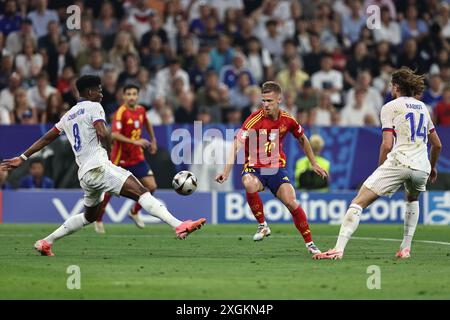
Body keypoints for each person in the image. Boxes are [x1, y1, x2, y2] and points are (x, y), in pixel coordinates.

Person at [0, 75, 206, 256]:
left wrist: (23, 157)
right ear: (89, 92)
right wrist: (108, 145)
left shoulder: (68, 115)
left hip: (85, 174)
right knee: (143, 192)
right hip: (99, 167)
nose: (101, 93)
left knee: (90, 216)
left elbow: (46, 138)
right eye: (98, 89)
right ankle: (179, 225)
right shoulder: (94, 107)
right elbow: (102, 130)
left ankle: (46, 242)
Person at [313, 67, 442, 260]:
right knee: (412, 199)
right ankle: (405, 248)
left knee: (358, 202)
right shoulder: (423, 107)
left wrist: (381, 168)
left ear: (396, 86)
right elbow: (437, 145)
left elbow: (387, 144)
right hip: (421, 166)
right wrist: (431, 167)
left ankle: (338, 249)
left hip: (400, 161)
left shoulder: (390, 106)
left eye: (391, 84)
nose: (390, 87)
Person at [215, 81, 328, 255]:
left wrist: (313, 163)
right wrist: (226, 171)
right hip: (254, 167)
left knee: (292, 202)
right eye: (263, 101)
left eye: (269, 101)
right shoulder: (254, 119)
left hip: (276, 169)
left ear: (279, 100)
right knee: (249, 183)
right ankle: (263, 225)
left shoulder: (287, 120)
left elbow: (303, 138)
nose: (265, 105)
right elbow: (236, 144)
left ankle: (310, 243)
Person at [94, 84, 158, 234]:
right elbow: (114, 135)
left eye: (134, 94)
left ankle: (134, 212)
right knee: (109, 191)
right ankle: (98, 219)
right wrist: (135, 141)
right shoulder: (120, 113)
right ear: (123, 96)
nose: (131, 97)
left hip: (137, 157)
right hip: (120, 158)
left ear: (138, 96)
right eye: (128, 94)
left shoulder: (141, 110)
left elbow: (147, 122)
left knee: (152, 186)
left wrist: (153, 140)